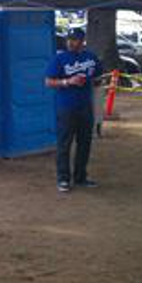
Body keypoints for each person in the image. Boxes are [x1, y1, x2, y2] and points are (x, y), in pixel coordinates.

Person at [46, 28, 103, 193]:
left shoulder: (91, 57)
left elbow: (98, 76)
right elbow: (49, 82)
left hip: (85, 106)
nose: (71, 42)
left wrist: (94, 81)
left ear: (83, 41)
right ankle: (63, 179)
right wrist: (68, 82)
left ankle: (80, 177)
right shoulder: (59, 59)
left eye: (75, 39)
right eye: (69, 39)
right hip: (66, 107)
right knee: (64, 143)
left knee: (85, 143)